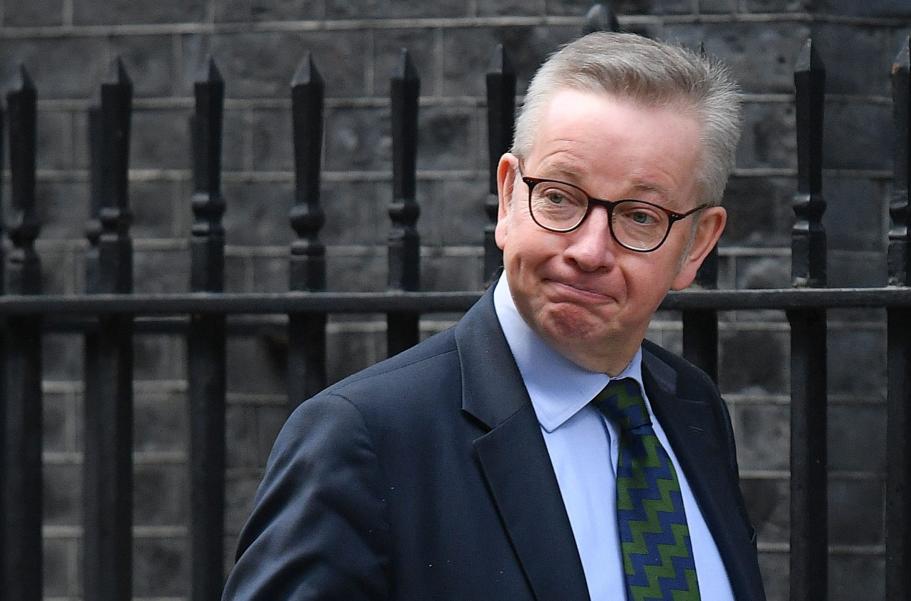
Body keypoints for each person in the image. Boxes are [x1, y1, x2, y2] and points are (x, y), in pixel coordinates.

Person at [222, 31, 766, 601]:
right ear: (508, 198)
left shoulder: (690, 407)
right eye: (559, 196)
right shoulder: (364, 437)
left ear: (697, 246)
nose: (588, 250)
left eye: (639, 216)